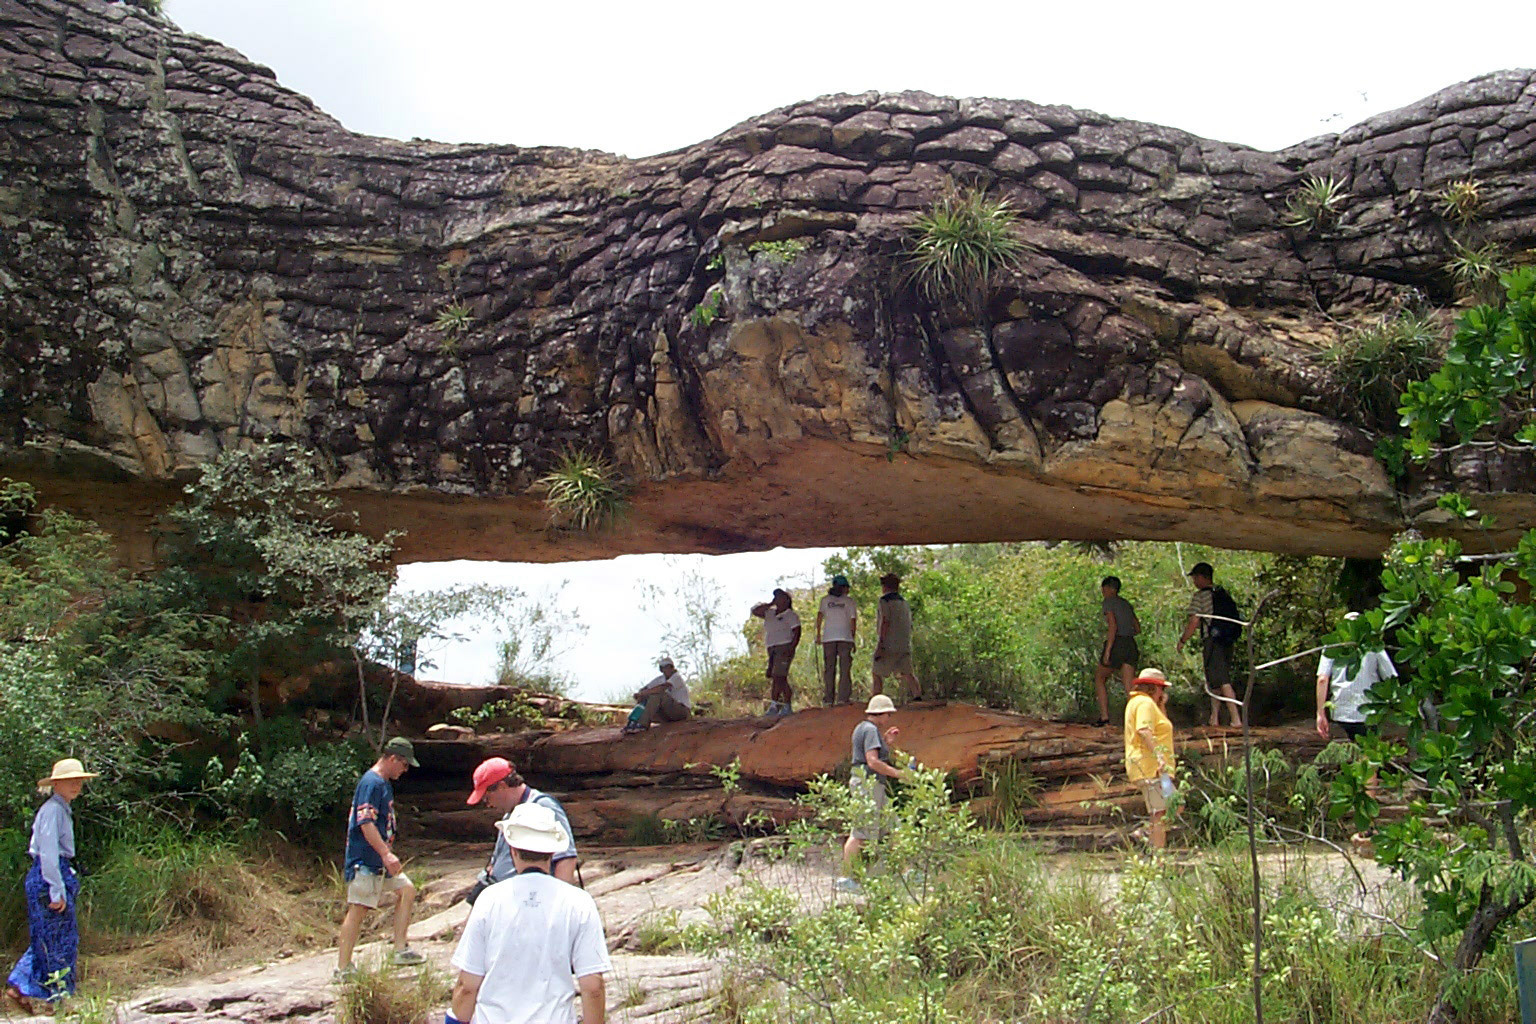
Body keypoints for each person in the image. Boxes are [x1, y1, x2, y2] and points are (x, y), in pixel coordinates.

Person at [449, 803, 610, 1024]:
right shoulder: (579, 902)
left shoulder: (489, 899)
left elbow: (467, 986)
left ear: (512, 849)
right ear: (553, 851)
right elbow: (593, 986)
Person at [6, 758, 97, 1012]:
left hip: (55, 872)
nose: (76, 785)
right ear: (56, 784)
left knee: (48, 936)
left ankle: (22, 985)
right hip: (49, 876)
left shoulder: (60, 809)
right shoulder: (53, 810)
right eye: (70, 781)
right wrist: (56, 890)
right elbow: (48, 852)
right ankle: (58, 998)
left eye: (79, 781)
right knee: (59, 939)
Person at [336, 736, 424, 980]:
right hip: (365, 860)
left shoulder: (383, 784)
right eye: (404, 765)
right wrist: (385, 853)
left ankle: (400, 949)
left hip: (379, 863)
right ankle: (342, 968)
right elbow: (365, 822)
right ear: (393, 759)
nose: (405, 770)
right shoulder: (371, 783)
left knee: (407, 890)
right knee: (359, 909)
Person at [465, 756, 579, 892]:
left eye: (486, 798)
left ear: (502, 786)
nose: (488, 804)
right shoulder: (509, 815)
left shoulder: (542, 806)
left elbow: (566, 858)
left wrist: (560, 899)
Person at [835, 694, 907, 893]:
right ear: (881, 713)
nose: (889, 718)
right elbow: (872, 761)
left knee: (893, 827)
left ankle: (903, 872)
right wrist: (898, 774)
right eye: (888, 714)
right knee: (861, 833)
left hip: (873, 786)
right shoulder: (870, 730)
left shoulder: (864, 729)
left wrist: (886, 742)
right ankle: (847, 878)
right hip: (868, 785)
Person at [1176, 561, 1244, 728]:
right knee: (1214, 680)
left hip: (1213, 641)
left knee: (1222, 679)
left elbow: (1194, 621)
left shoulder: (1201, 597)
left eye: (1195, 577)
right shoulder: (1222, 594)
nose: (1194, 581)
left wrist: (1183, 640)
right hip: (1227, 641)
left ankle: (1236, 719)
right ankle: (1214, 718)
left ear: (1202, 577)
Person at [1315, 613, 1397, 741]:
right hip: (1370, 711)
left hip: (1341, 712)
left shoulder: (1331, 646)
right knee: (1369, 748)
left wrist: (1320, 713)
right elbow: (1390, 677)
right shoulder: (1374, 646)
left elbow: (1322, 679)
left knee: (1345, 749)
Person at [1123, 668, 1176, 850]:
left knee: (1175, 804)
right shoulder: (1144, 703)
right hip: (1152, 767)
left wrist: (1162, 705)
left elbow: (1162, 725)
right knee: (1159, 812)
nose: (1163, 692)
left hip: (1159, 770)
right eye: (1162, 688)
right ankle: (1158, 857)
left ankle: (1146, 832)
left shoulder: (1147, 704)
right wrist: (1159, 756)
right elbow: (1144, 730)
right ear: (1154, 687)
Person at [1093, 575, 1141, 727]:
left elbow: (1112, 626)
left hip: (1117, 643)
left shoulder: (1109, 603)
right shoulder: (1126, 604)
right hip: (1130, 643)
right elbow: (1137, 628)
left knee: (1100, 678)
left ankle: (1104, 717)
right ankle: (1137, 719)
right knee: (1129, 686)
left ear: (1109, 589)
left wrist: (1108, 651)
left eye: (1104, 589)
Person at [871, 573, 921, 702]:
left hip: (889, 644)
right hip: (904, 644)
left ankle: (876, 700)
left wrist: (881, 644)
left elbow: (885, 621)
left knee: (877, 672)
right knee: (908, 673)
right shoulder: (904, 602)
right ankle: (917, 697)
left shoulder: (884, 601)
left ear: (885, 586)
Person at [751, 589, 801, 716]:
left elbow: (797, 632)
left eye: (779, 597)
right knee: (776, 676)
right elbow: (755, 611)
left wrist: (791, 648)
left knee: (778, 675)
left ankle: (781, 705)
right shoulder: (770, 613)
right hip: (772, 648)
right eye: (775, 597)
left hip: (784, 646)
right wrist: (770, 604)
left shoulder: (790, 615)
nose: (777, 600)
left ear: (786, 600)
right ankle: (780, 705)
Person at [816, 575, 858, 706]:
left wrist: (818, 634)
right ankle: (839, 698)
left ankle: (833, 699)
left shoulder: (829, 600)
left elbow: (819, 617)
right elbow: (853, 621)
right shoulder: (846, 601)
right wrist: (852, 638)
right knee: (841, 669)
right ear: (843, 588)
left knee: (832, 669)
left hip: (832, 638)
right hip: (841, 638)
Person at [622, 656, 691, 734]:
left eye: (668, 667)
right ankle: (633, 723)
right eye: (663, 668)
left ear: (672, 667)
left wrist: (645, 693)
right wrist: (640, 695)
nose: (666, 670)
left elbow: (662, 688)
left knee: (658, 695)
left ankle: (642, 725)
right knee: (648, 696)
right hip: (668, 714)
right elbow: (645, 688)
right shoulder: (660, 679)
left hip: (682, 711)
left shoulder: (676, 677)